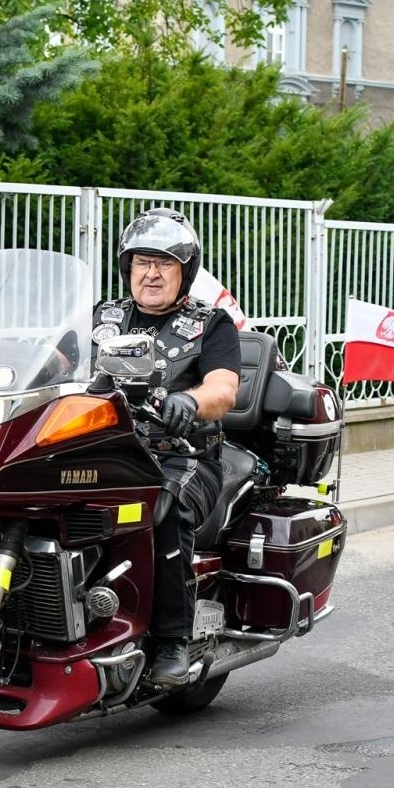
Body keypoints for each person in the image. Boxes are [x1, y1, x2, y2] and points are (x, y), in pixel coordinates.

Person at [92, 208, 240, 687]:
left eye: (164, 263)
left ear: (185, 271)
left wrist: (188, 400)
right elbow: (54, 361)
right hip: (108, 451)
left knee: (163, 510)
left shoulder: (210, 325)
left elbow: (223, 390)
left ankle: (172, 638)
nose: (151, 273)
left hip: (183, 457)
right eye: (141, 262)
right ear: (127, 267)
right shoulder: (103, 318)